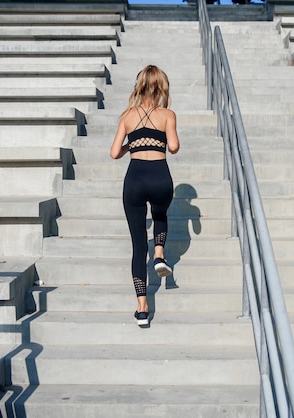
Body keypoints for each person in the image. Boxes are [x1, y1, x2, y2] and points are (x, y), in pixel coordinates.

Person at [110, 65, 180, 328]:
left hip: (135, 179)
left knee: (138, 247)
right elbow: (172, 146)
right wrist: (159, 139)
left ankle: (142, 308)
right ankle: (160, 254)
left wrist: (133, 143)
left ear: (138, 87)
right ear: (161, 87)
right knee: (160, 213)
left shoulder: (127, 116)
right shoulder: (168, 115)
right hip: (160, 176)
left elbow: (115, 152)